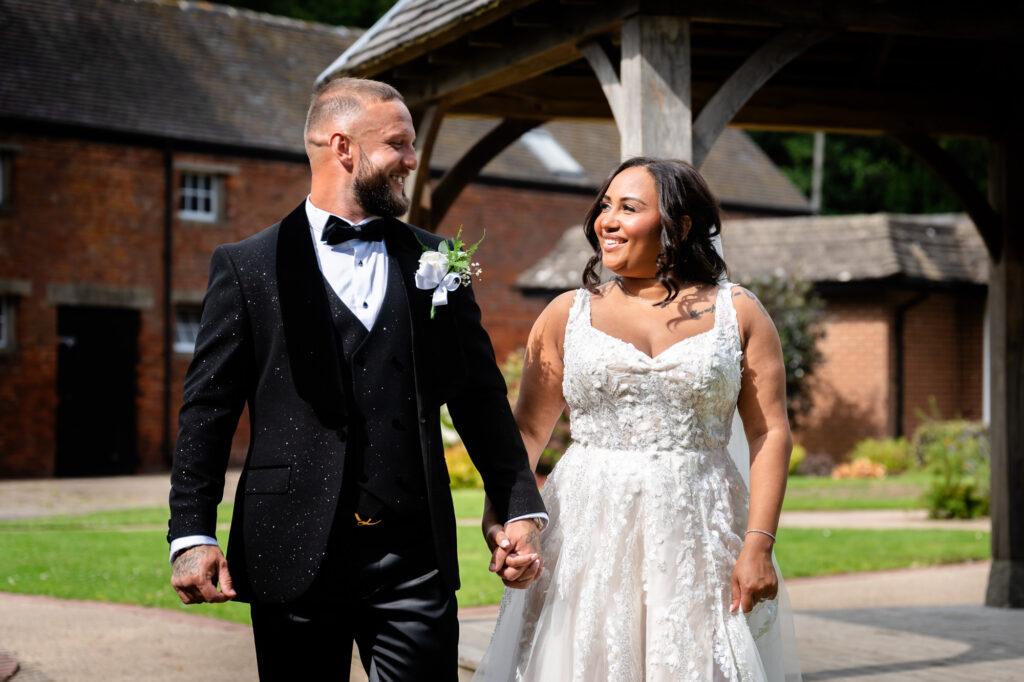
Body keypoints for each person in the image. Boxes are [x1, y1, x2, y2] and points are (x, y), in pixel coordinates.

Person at [167, 77, 546, 681]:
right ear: (343, 147)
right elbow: (206, 412)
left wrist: (520, 506)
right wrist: (190, 532)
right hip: (289, 546)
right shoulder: (246, 267)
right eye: (398, 143)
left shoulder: (440, 262)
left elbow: (480, 400)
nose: (413, 160)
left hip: (413, 557)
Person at [475, 157, 801, 681]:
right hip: (587, 533)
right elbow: (526, 433)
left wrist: (759, 543)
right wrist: (501, 522)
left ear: (681, 225)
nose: (607, 219)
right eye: (606, 205)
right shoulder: (565, 314)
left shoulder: (738, 313)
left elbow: (769, 432)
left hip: (701, 532)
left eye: (629, 207)